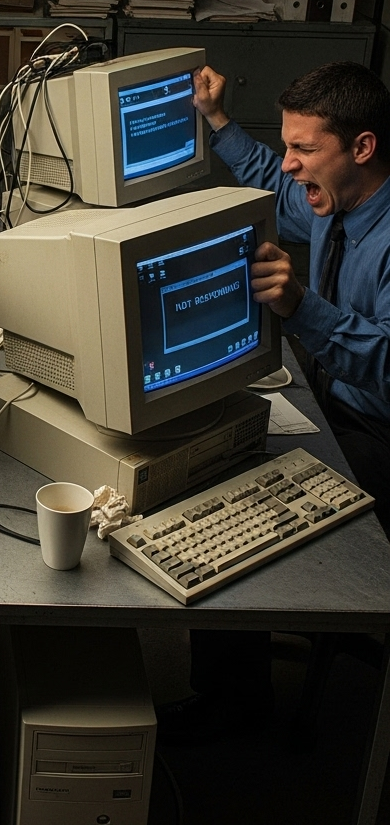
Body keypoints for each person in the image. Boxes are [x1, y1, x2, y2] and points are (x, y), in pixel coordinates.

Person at [158, 60, 390, 743]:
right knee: (218, 464)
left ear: (364, 147)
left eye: (305, 148)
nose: (290, 165)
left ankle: (236, 712)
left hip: (379, 432)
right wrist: (218, 118)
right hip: (331, 401)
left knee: (243, 499)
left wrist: (302, 309)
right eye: (289, 146)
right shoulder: (332, 198)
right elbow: (266, 177)